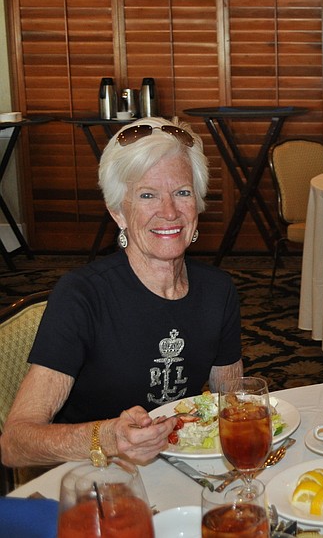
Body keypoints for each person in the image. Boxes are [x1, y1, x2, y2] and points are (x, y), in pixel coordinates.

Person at [0, 117, 243, 467]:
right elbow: (14, 444)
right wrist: (109, 437)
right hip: (93, 475)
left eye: (182, 192)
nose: (169, 211)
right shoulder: (82, 295)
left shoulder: (218, 291)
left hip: (180, 469)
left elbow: (232, 405)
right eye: (147, 195)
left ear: (198, 205)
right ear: (118, 213)